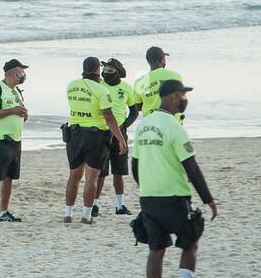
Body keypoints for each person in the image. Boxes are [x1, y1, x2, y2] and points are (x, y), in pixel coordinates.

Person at [131, 80, 217, 278]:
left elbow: (135, 164)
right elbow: (191, 166)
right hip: (174, 196)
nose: (184, 99)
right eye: (182, 95)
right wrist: (208, 199)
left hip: (149, 198)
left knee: (156, 249)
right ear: (172, 97)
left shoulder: (143, 125)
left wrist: (145, 187)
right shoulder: (174, 126)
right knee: (190, 243)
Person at [63, 56, 126, 224]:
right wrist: (120, 139)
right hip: (95, 136)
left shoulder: (71, 86)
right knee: (91, 178)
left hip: (74, 135)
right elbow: (109, 117)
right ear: (98, 70)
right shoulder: (101, 90)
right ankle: (86, 216)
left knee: (74, 176)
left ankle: (68, 214)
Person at [0, 59, 28, 223]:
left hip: (15, 139)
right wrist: (13, 110)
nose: (24, 74)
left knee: (9, 177)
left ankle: (4, 212)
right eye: (22, 71)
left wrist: (23, 114)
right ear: (14, 72)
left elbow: (17, 112)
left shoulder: (16, 91)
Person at [94, 57, 140, 216]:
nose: (106, 72)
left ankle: (120, 206)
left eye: (110, 70)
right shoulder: (99, 85)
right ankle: (95, 205)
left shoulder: (127, 88)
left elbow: (134, 111)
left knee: (119, 171)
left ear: (118, 72)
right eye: (105, 69)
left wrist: (124, 126)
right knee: (100, 172)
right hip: (102, 132)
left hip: (120, 132)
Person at [132, 46, 183, 118]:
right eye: (164, 59)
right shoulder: (175, 76)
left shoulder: (140, 81)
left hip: (151, 121)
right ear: (162, 60)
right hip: (172, 120)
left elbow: (138, 107)